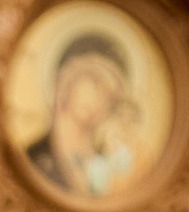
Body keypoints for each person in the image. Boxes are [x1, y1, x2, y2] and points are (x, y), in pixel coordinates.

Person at [24, 33, 140, 198]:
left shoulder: (112, 165)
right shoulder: (32, 159)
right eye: (94, 81)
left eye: (111, 93)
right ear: (66, 81)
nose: (101, 98)